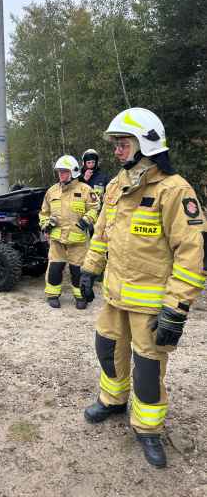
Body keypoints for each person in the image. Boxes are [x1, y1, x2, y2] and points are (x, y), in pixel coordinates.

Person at [79, 107, 207, 469]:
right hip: (114, 297)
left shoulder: (174, 190)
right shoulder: (116, 186)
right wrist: (89, 270)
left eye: (123, 143)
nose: (116, 150)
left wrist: (177, 307)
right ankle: (113, 400)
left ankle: (148, 428)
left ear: (147, 143)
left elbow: (193, 253)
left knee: (148, 371)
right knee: (107, 348)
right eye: (116, 144)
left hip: (151, 305)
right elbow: (102, 233)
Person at [39, 155, 100, 310]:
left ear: (73, 172)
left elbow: (95, 208)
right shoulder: (52, 191)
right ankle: (52, 295)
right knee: (55, 268)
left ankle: (80, 297)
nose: (61, 174)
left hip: (78, 240)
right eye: (59, 171)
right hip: (57, 240)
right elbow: (44, 212)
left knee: (77, 270)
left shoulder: (85, 189)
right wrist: (45, 224)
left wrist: (86, 220)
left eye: (64, 171)